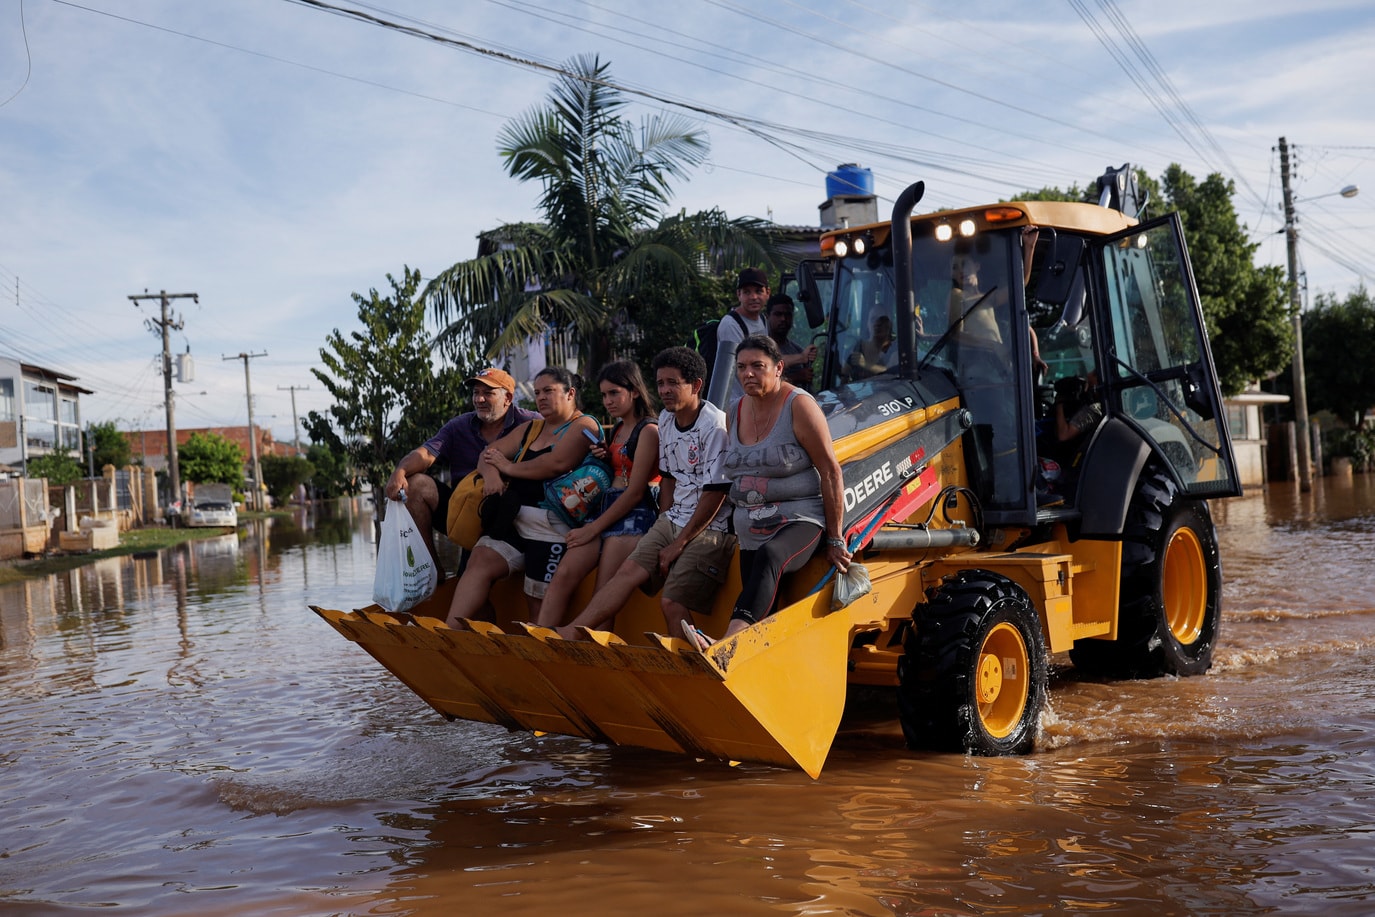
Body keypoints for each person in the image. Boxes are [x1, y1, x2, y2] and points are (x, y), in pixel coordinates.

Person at [554, 347, 735, 642]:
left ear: (697, 385)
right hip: (673, 518)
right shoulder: (665, 418)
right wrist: (664, 524)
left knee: (671, 602)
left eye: (673, 383)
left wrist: (679, 542)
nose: (664, 390)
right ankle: (573, 632)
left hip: (709, 526)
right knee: (625, 574)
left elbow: (715, 494)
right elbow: (667, 479)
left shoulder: (714, 426)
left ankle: (690, 669)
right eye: (660, 383)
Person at [698, 334, 849, 647]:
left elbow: (831, 471)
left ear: (779, 367)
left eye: (757, 366)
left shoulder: (800, 406)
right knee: (760, 600)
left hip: (799, 519)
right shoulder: (734, 410)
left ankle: (727, 643)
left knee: (771, 557)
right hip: (749, 527)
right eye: (741, 367)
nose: (747, 373)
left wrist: (836, 538)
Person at [445, 367, 600, 625]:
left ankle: (540, 656)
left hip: (553, 529)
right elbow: (487, 455)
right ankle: (449, 631)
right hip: (515, 522)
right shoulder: (532, 428)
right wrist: (493, 476)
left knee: (537, 604)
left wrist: (506, 467)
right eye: (538, 392)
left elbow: (555, 463)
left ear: (570, 393)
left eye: (548, 391)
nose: (541, 398)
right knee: (479, 560)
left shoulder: (585, 425)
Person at [535, 361, 661, 629]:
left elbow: (636, 491)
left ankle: (598, 659)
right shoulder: (617, 430)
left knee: (602, 592)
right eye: (604, 395)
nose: (608, 401)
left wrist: (591, 530)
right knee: (564, 574)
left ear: (635, 391)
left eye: (614, 393)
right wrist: (605, 456)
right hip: (605, 509)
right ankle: (541, 640)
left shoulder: (649, 430)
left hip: (632, 515)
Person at [383, 367, 538, 577]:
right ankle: (433, 573)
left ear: (508, 398)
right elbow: (426, 454)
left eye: (488, 393)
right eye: (476, 392)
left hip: (512, 515)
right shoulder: (459, 426)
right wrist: (399, 471)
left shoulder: (531, 423)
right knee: (417, 484)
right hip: (464, 512)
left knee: (471, 581)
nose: (480, 399)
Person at [717, 267, 771, 405]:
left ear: (767, 293)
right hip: (735, 404)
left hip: (756, 400)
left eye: (758, 291)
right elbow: (738, 368)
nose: (753, 297)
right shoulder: (730, 325)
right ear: (738, 295)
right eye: (747, 292)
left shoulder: (763, 320)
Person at [767, 293, 817, 389]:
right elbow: (764, 383)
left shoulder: (796, 350)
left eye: (788, 315)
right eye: (778, 314)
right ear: (767, 316)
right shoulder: (761, 348)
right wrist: (795, 378)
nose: (783, 319)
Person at [846, 313, 898, 380]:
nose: (877, 323)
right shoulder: (858, 347)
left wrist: (865, 364)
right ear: (867, 323)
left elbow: (893, 373)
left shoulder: (895, 350)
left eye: (882, 320)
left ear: (890, 325)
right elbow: (843, 374)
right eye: (873, 319)